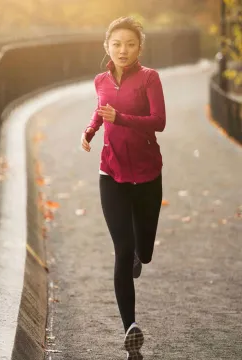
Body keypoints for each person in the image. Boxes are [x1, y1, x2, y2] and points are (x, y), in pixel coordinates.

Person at [80, 16, 166, 360]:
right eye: (116, 44)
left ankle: (138, 256)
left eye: (130, 44)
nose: (123, 50)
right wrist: (89, 130)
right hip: (111, 175)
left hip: (147, 175)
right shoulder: (100, 79)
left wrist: (123, 119)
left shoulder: (149, 78)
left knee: (142, 252)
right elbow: (101, 112)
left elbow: (159, 121)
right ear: (107, 47)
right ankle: (130, 328)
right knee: (121, 248)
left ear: (139, 48)